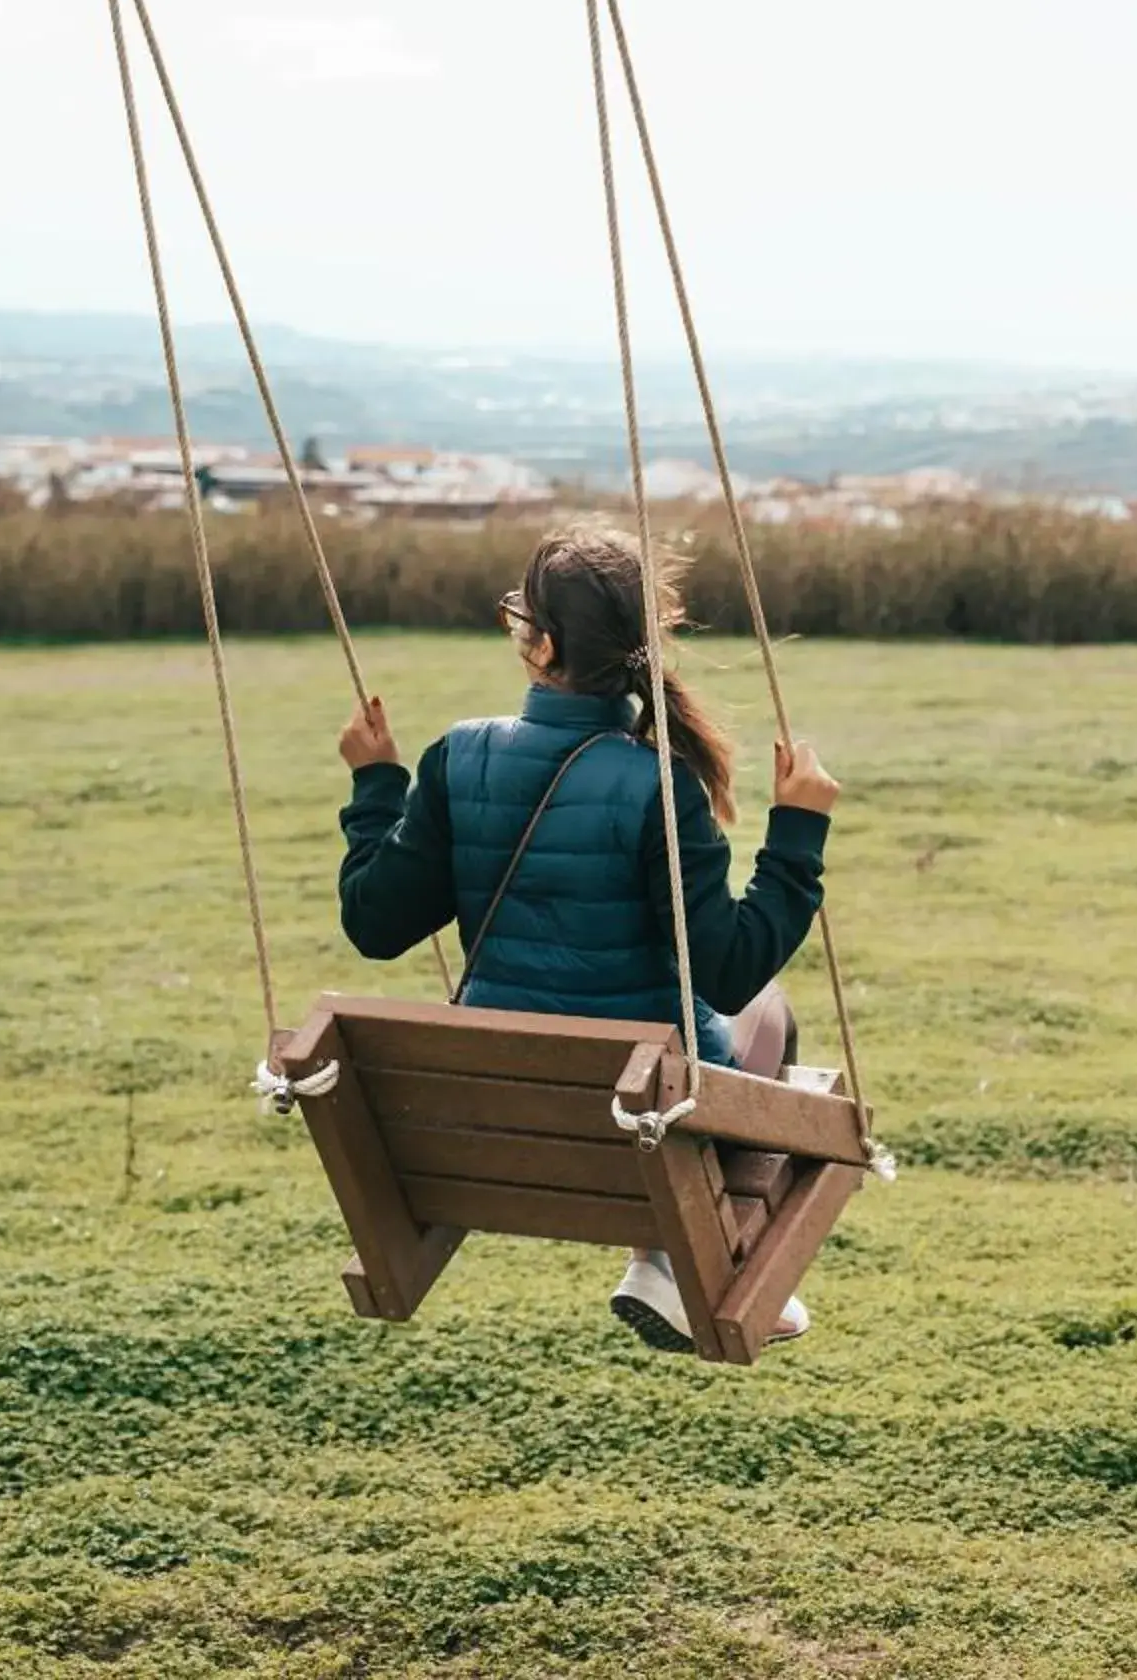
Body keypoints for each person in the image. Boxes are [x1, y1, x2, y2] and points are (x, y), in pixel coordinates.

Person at [334, 519, 843, 1353]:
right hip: (639, 1111)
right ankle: (680, 1259)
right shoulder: (658, 785)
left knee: (669, 1047)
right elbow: (730, 969)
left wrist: (377, 785)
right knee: (769, 1013)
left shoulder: (457, 757)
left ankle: (667, 1263)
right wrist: (797, 833)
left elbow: (374, 924)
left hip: (497, 1107)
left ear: (537, 643)